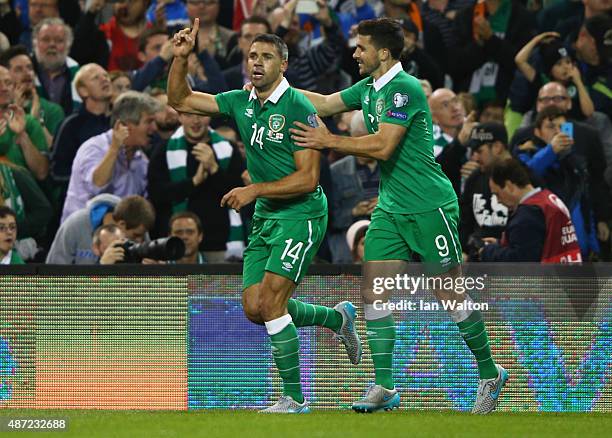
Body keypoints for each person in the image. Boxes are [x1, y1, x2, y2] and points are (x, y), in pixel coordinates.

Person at [289, 17, 507, 414]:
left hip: (429, 205)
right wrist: (274, 90)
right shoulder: (369, 87)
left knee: (450, 294)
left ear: (383, 53)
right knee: (373, 292)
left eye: (362, 47)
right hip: (390, 208)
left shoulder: (404, 89)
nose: (355, 53)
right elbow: (323, 103)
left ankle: (490, 372)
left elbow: (385, 146)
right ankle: (384, 385)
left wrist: (329, 140)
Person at [168, 20, 361, 413]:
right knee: (255, 307)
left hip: (302, 214)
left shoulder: (299, 108)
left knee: (272, 303)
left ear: (283, 65)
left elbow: (308, 179)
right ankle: (336, 318)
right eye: (252, 56)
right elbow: (181, 100)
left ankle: (293, 398)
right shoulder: (241, 101)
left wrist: (253, 189)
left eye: (266, 57)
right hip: (268, 216)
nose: (256, 63)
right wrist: (181, 58)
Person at [61, 91, 161, 222]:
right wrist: (114, 148)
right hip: (82, 232)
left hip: (118, 234)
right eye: (149, 122)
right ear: (124, 126)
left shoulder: (142, 161)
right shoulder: (94, 148)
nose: (154, 128)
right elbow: (97, 184)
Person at [482, 158, 582, 263]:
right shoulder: (549, 198)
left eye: (497, 194)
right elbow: (539, 243)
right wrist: (502, 243)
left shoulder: (527, 215)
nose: (498, 201)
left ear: (509, 186)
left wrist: (488, 252)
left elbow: (521, 260)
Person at [47, 194, 155, 264]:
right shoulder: (76, 225)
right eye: (135, 235)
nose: (140, 241)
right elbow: (52, 274)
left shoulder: (138, 228)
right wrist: (101, 269)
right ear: (121, 224)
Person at [460, 122, 511, 261]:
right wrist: (461, 250)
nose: (474, 158)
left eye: (479, 151)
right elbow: (465, 221)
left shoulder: (524, 178)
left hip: (511, 262)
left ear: (497, 147)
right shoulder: (474, 178)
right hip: (476, 260)